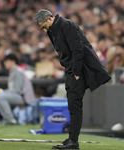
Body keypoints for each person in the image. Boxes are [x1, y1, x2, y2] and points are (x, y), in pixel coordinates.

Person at [34, 9, 111, 149]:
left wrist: (76, 72)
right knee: (73, 104)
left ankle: (73, 142)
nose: (45, 30)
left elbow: (77, 49)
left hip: (79, 70)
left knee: (75, 105)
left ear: (50, 19)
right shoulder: (55, 29)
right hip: (71, 70)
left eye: (44, 26)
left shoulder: (66, 25)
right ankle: (72, 140)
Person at [0, 54, 35, 124]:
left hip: (24, 97)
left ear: (13, 62)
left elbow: (17, 90)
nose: (5, 63)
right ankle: (6, 118)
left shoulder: (18, 71)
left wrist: (3, 92)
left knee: (0, 97)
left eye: (7, 61)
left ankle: (10, 119)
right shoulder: (12, 71)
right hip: (18, 95)